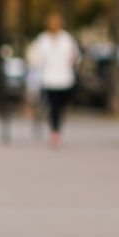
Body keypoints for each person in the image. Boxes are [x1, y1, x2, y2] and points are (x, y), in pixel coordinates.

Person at [27, 12, 80, 148]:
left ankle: (56, 129)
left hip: (65, 78)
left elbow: (76, 56)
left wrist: (74, 60)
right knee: (53, 107)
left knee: (61, 106)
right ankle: (55, 132)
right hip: (49, 78)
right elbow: (35, 57)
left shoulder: (67, 39)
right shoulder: (43, 39)